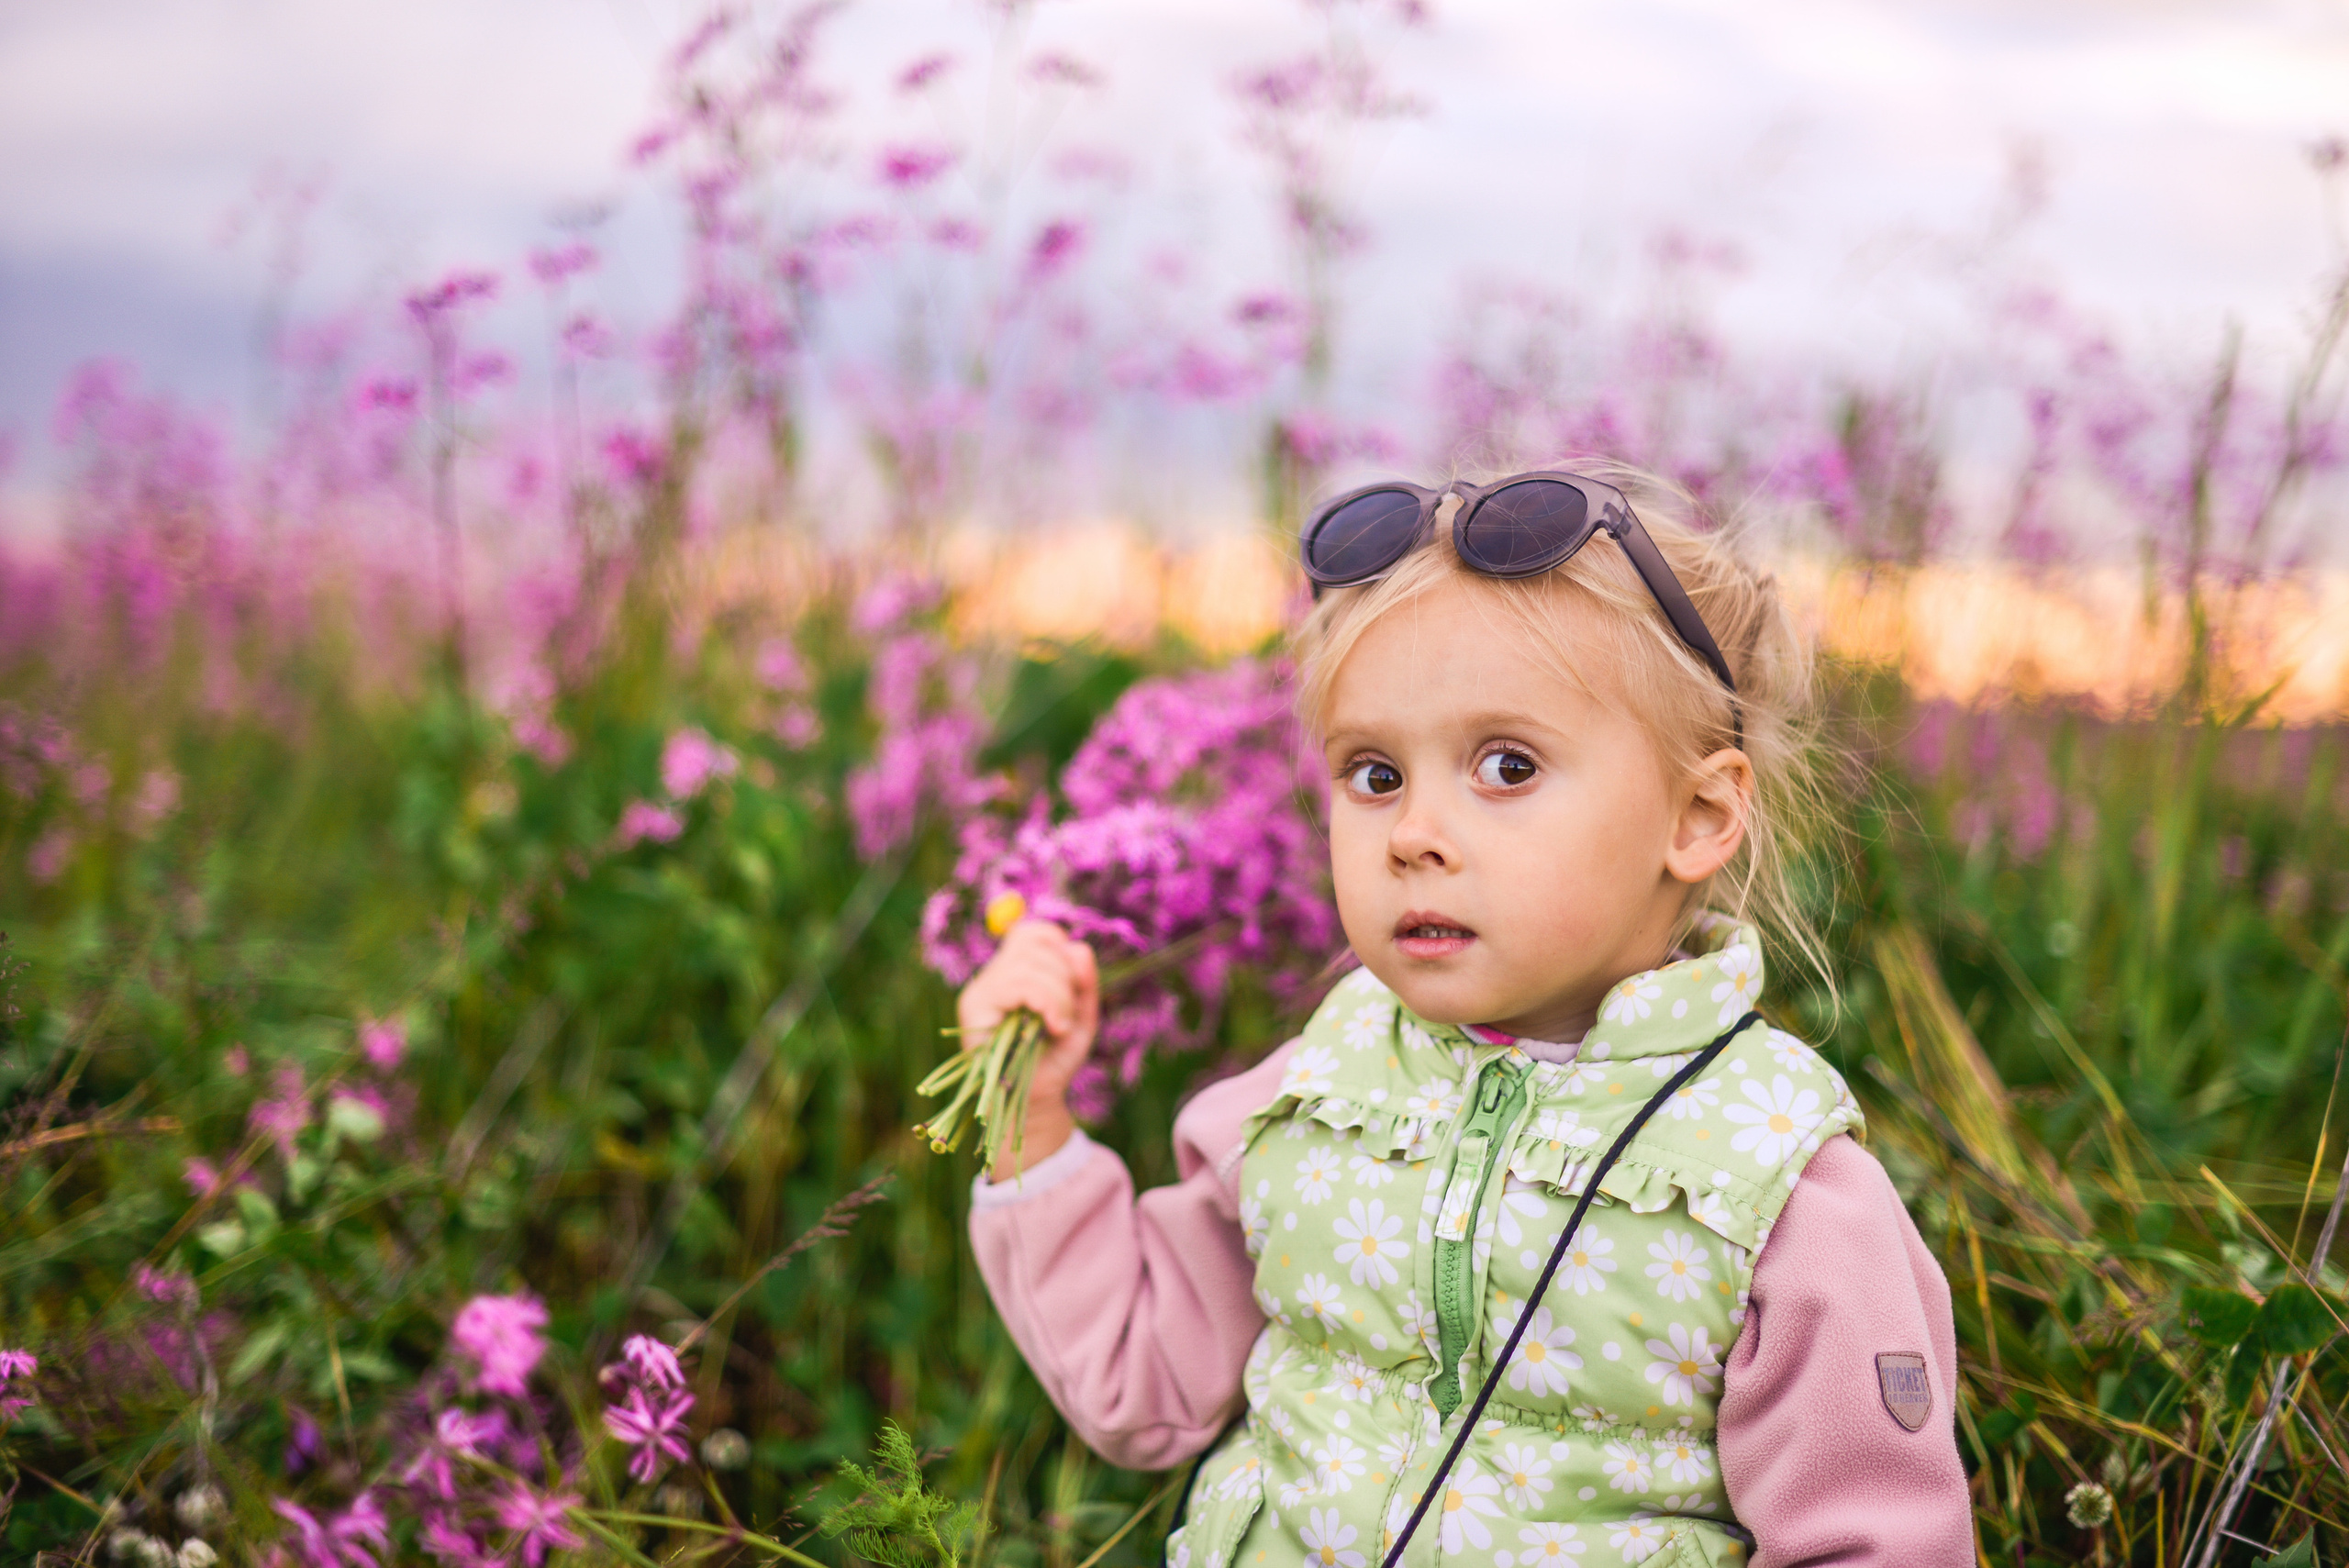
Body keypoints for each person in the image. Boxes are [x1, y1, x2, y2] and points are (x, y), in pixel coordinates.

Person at [954, 464, 1972, 1567]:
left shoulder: (1769, 1180)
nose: (1411, 833)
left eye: (1506, 764)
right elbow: (1140, 1382)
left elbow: (1871, 1540)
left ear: (1696, 814)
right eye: (1373, 773)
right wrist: (1031, 1121)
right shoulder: (1312, 1096)